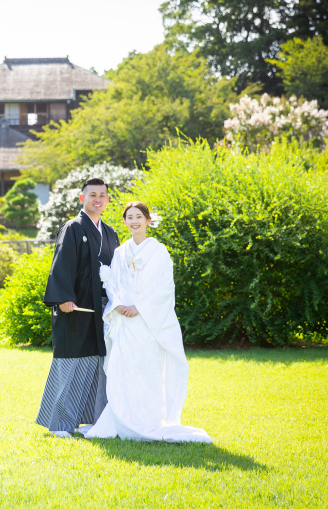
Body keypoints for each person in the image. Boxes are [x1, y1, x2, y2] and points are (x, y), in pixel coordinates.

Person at [85, 201, 212, 443]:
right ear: (124, 222)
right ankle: (122, 418)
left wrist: (139, 307)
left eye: (138, 217)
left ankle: (148, 420)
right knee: (124, 370)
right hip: (124, 321)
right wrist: (119, 303)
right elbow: (115, 283)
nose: (134, 221)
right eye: (129, 217)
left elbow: (163, 288)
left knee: (147, 371)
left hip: (147, 322)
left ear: (147, 220)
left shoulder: (159, 251)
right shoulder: (120, 252)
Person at [36, 178, 121, 438]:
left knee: (97, 366)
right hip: (75, 310)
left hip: (101, 312)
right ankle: (59, 424)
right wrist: (63, 297)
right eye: (92, 194)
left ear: (107, 200)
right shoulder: (72, 228)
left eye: (103, 195)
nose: (98, 199)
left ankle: (90, 420)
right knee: (70, 364)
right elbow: (62, 263)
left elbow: (117, 273)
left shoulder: (110, 233)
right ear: (82, 198)